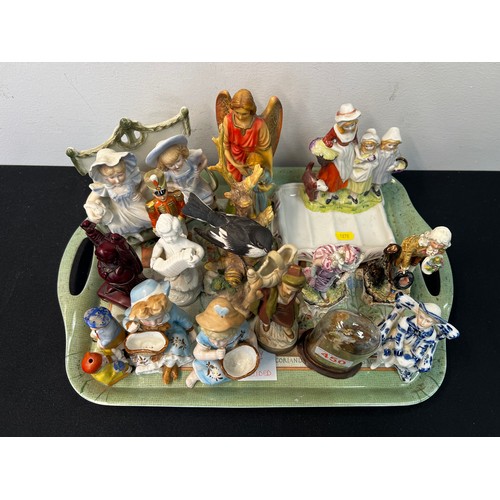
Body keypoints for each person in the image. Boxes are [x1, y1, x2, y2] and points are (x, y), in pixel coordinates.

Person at [371, 292, 459, 382]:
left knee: (407, 363)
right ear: (418, 313)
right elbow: (399, 337)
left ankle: (402, 369)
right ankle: (379, 360)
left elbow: (422, 347)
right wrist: (398, 350)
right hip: (396, 341)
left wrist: (415, 356)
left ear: (434, 323)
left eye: (428, 321)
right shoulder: (406, 321)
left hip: (411, 348)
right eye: (421, 317)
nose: (422, 322)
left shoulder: (431, 334)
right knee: (385, 350)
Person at [123, 279, 196, 384]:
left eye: (158, 319)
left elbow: (183, 318)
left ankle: (169, 367)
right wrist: (129, 326)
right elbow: (126, 320)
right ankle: (167, 366)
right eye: (147, 321)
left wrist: (191, 330)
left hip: (171, 331)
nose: (153, 324)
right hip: (148, 336)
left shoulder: (171, 309)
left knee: (176, 345)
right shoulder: (136, 314)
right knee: (145, 352)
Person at [185, 297, 259, 388]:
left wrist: (255, 351)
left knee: (235, 370)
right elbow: (197, 353)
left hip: (233, 353)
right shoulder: (205, 335)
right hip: (214, 357)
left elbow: (251, 336)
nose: (216, 343)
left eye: (222, 340)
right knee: (217, 374)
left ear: (233, 332)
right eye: (213, 339)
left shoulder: (241, 329)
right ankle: (197, 375)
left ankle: (230, 375)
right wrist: (215, 354)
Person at [84, 148, 152, 242]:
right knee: (116, 227)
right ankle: (129, 234)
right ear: (105, 177)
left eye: (120, 175)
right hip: (119, 211)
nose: (117, 180)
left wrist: (140, 191)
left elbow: (148, 178)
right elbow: (90, 202)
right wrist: (91, 213)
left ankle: (154, 233)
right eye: (112, 177)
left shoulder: (132, 177)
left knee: (151, 218)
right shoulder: (104, 186)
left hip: (136, 205)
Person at [309, 103, 361, 203]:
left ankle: (340, 188)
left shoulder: (355, 128)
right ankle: (330, 194)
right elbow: (326, 139)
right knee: (334, 174)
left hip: (349, 152)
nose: (351, 128)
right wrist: (334, 147)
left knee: (347, 171)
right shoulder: (336, 130)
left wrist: (357, 151)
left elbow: (355, 140)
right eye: (347, 126)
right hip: (338, 152)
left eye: (353, 124)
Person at [150, 213, 205, 306]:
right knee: (172, 280)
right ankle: (178, 290)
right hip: (171, 267)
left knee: (189, 281)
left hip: (185, 268)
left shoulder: (182, 241)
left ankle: (191, 290)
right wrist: (154, 257)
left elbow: (198, 248)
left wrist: (198, 257)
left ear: (178, 232)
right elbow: (158, 247)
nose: (170, 239)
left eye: (173, 235)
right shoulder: (162, 241)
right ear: (161, 235)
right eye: (166, 237)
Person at [145, 134, 215, 206]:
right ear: (164, 165)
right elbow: (162, 184)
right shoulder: (168, 172)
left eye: (178, 161)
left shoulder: (190, 159)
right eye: (171, 165)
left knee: (209, 200)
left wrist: (200, 169)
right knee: (193, 206)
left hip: (200, 187)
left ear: (182, 153)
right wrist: (174, 185)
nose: (176, 166)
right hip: (187, 193)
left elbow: (204, 158)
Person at [254, 264, 306, 354]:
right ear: (281, 282)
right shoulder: (273, 290)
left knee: (288, 324)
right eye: (288, 288)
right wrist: (255, 292)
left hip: (285, 311)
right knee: (265, 319)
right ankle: (266, 326)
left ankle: (287, 330)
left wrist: (302, 305)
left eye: (293, 290)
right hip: (270, 309)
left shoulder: (296, 292)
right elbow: (260, 293)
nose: (289, 292)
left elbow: (300, 299)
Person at [370, 127, 407, 197]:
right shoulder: (378, 149)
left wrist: (394, 165)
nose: (391, 147)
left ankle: (376, 189)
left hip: (386, 169)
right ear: (384, 143)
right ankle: (370, 186)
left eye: (394, 145)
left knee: (380, 180)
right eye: (389, 145)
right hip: (377, 167)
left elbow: (398, 159)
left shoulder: (396, 152)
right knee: (372, 177)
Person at [348, 128, 380, 204]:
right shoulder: (359, 152)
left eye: (371, 146)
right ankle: (352, 195)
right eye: (366, 146)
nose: (368, 148)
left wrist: (368, 165)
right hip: (357, 172)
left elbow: (375, 163)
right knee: (354, 185)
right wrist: (359, 164)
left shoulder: (374, 154)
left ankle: (355, 196)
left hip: (366, 174)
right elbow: (354, 162)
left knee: (361, 186)